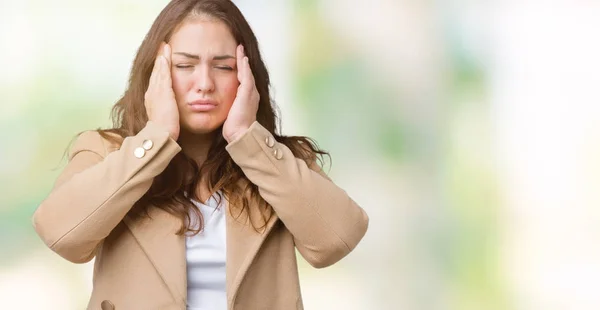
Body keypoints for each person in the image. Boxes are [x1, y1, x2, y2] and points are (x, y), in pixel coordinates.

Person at [32, 0, 369, 309]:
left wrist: (247, 140)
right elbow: (61, 235)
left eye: (223, 67)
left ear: (247, 77)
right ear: (155, 74)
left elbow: (337, 239)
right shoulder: (107, 151)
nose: (204, 83)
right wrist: (156, 139)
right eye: (184, 65)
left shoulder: (278, 160)